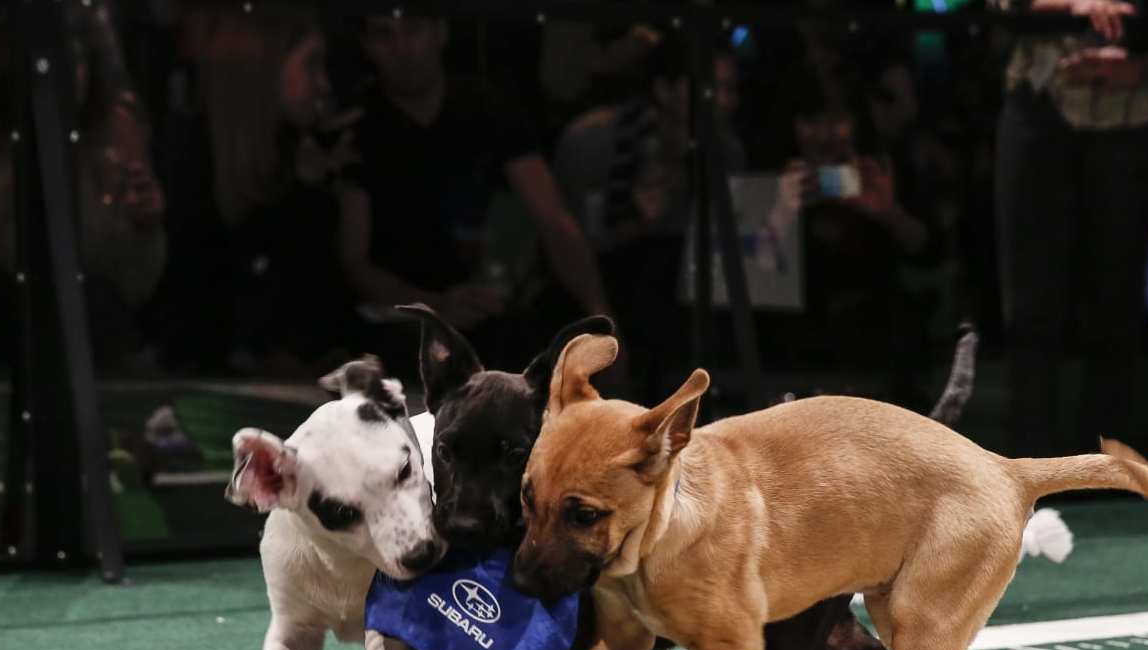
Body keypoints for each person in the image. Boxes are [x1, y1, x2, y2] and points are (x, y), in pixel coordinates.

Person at [338, 14, 612, 373]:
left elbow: (553, 219)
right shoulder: (358, 127)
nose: (402, 48)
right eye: (383, 34)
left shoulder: (488, 108)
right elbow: (354, 260)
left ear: (440, 32)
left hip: (493, 321)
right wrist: (436, 306)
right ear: (366, 46)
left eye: (414, 29)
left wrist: (600, 315)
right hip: (396, 331)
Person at [0, 8, 166, 370]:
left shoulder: (111, 129)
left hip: (82, 323)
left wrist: (145, 231)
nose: (64, 79)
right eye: (47, 61)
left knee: (96, 312)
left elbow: (133, 288)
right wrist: (20, 185)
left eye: (75, 60)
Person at [993, 0, 1148, 452]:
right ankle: (1026, 468)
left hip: (1136, 116)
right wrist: (1080, 4)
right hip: (1041, 106)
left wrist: (1142, 67)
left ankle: (1103, 468)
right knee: (1031, 305)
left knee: (1115, 302)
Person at [146, 2, 355, 376]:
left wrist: (310, 196)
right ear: (263, 70)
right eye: (310, 65)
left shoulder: (299, 159)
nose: (323, 83)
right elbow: (196, 316)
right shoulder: (190, 163)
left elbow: (318, 309)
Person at [551, 37, 741, 402]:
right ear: (664, 89)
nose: (724, 101)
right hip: (597, 286)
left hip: (681, 305)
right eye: (711, 88)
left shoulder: (725, 151)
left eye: (731, 89)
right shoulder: (594, 142)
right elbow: (568, 242)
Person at [767, 66, 941, 401]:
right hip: (792, 358)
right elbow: (751, 286)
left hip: (877, 353)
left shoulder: (881, 171)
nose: (824, 134)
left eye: (837, 120)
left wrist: (889, 214)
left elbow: (931, 255)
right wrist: (780, 216)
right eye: (811, 121)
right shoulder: (774, 178)